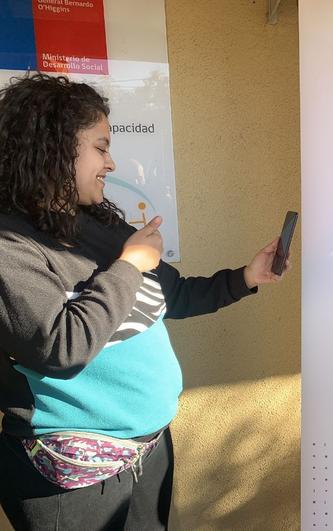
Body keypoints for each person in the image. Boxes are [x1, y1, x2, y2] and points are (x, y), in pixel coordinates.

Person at [0, 74, 289, 530]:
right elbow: (59, 347)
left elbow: (174, 295)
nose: (111, 162)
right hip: (69, 478)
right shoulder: (11, 244)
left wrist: (247, 277)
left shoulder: (101, 225)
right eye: (101, 147)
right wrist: (129, 265)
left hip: (148, 452)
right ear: (53, 148)